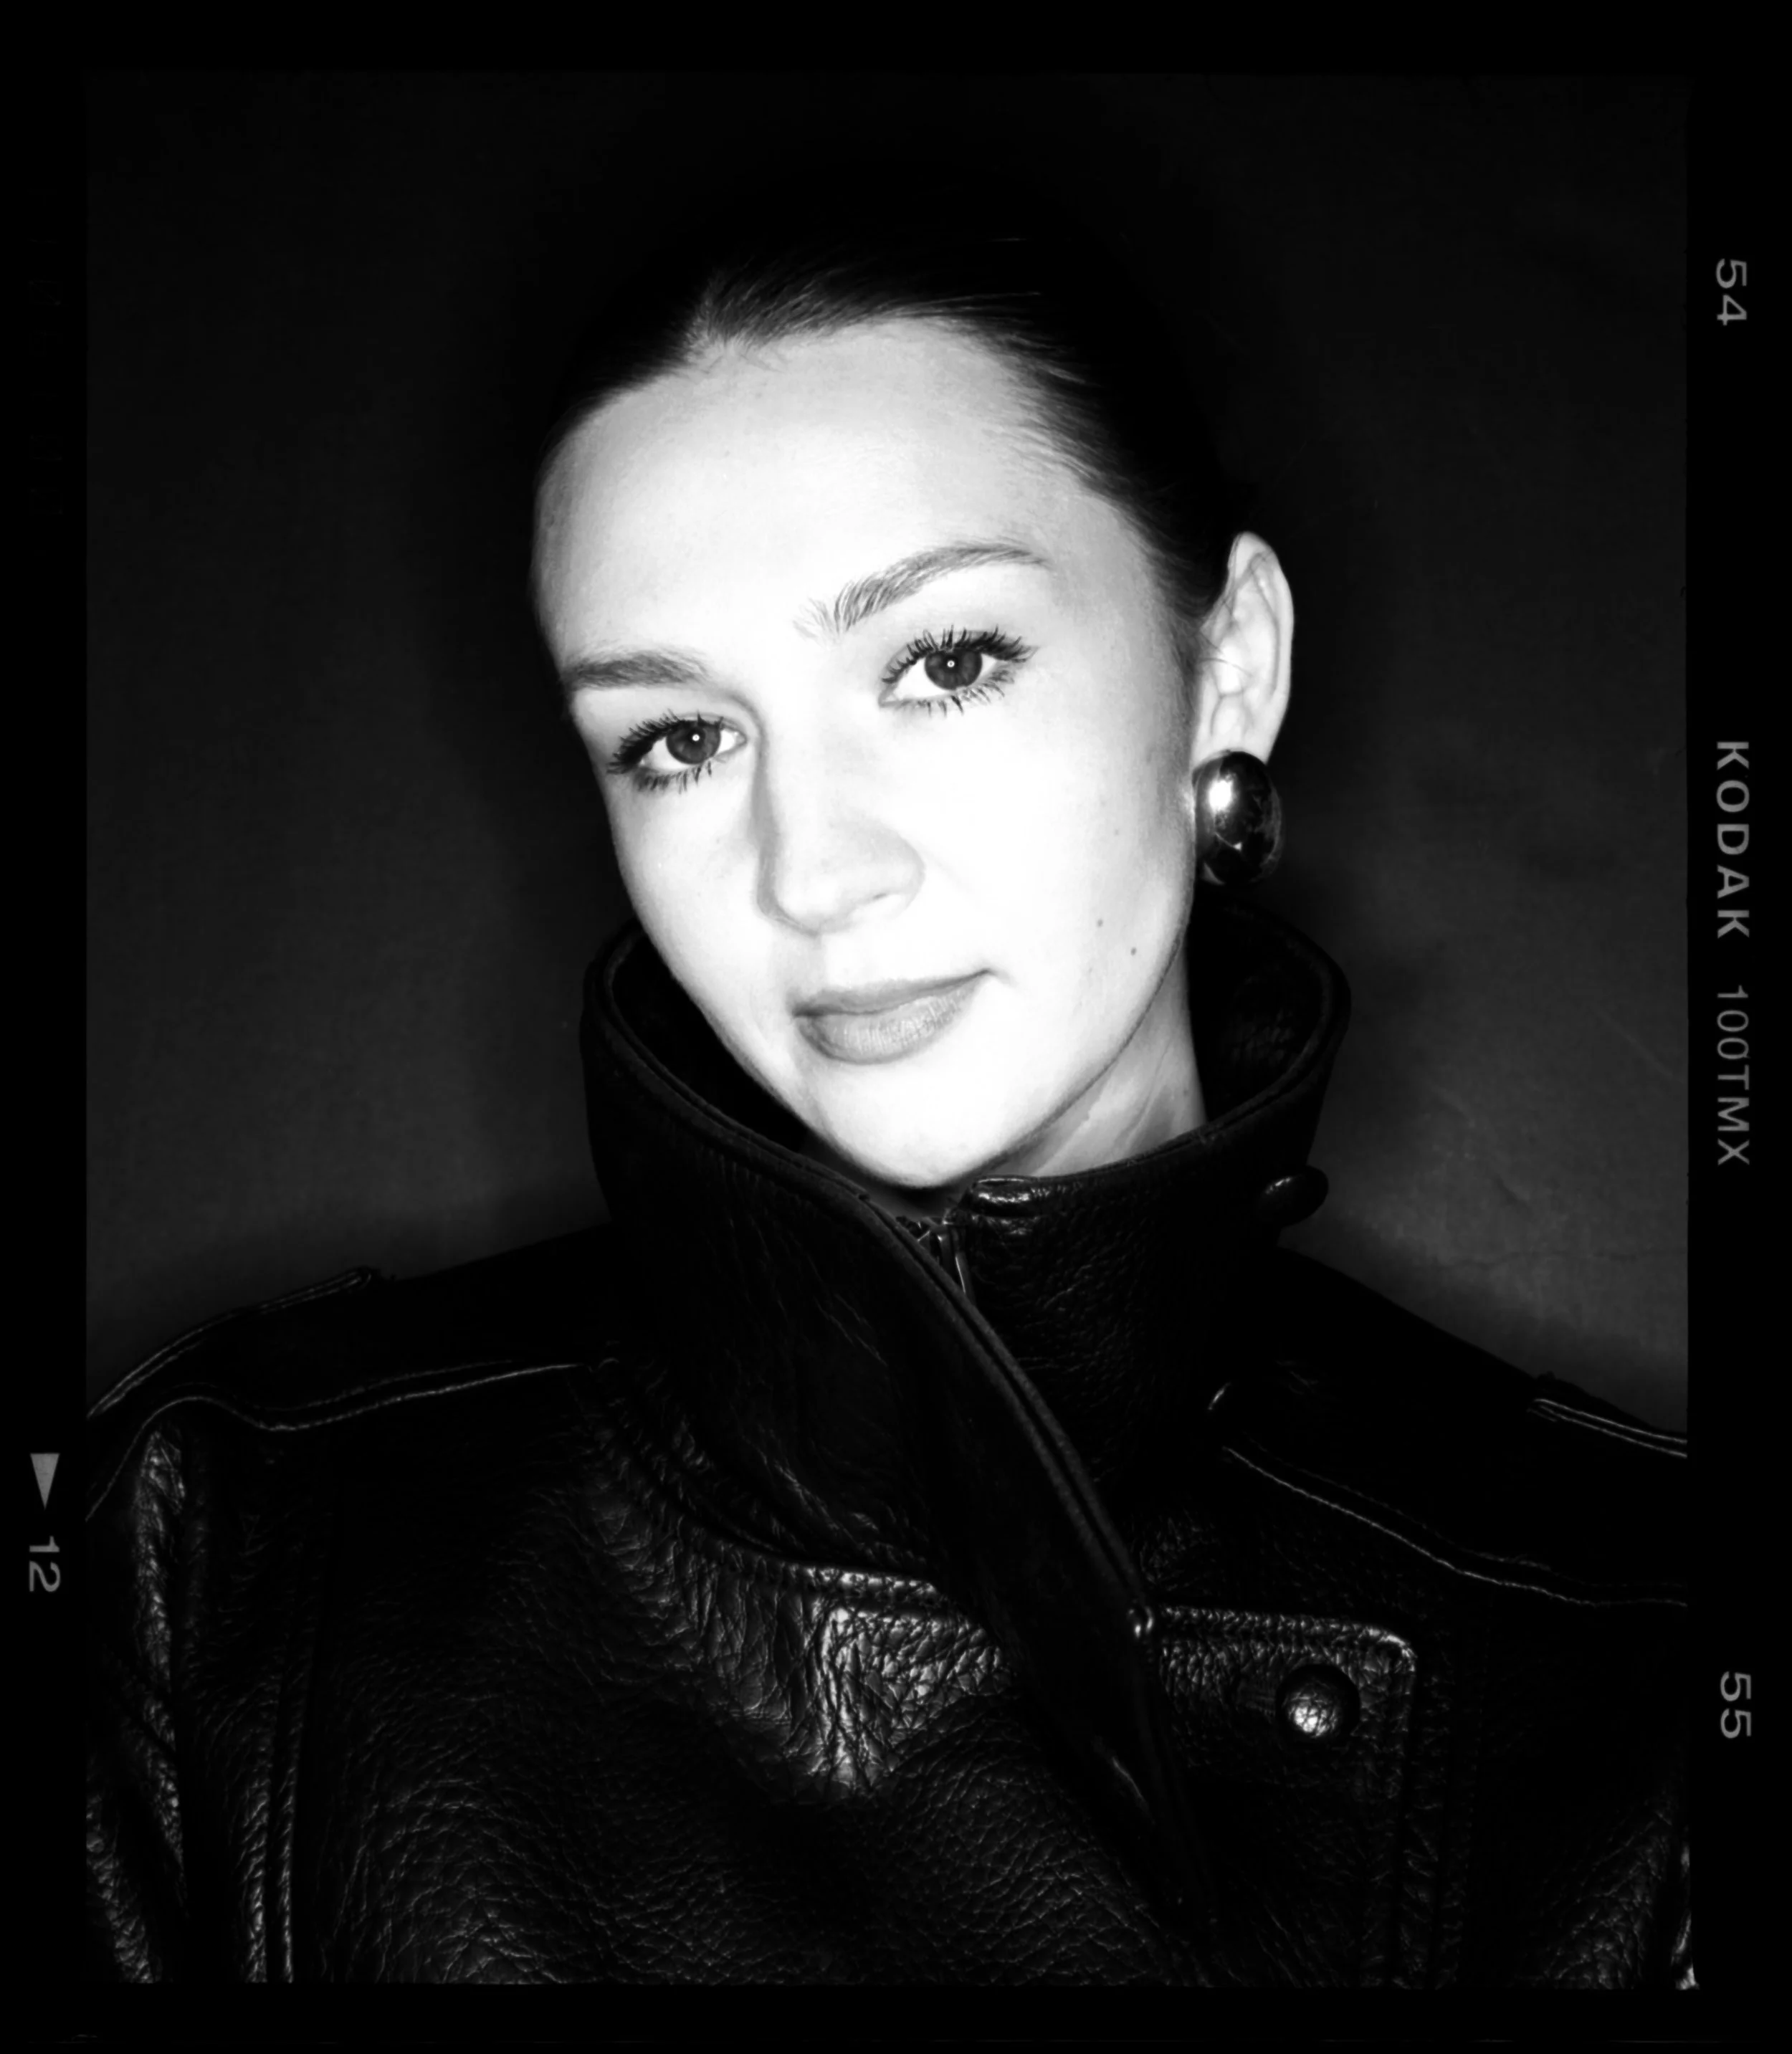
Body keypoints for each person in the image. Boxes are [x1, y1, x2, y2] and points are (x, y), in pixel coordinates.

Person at [85, 158, 1689, 1987]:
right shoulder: (225, 1540)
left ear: (1224, 663)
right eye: (679, 736)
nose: (811, 870)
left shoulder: (1630, 1638)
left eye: (939, 661)